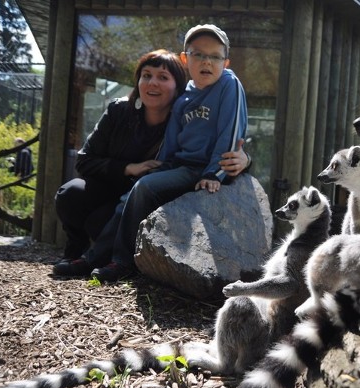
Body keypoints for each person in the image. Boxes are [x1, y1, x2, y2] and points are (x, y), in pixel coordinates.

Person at [53, 46, 250, 277]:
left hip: (141, 198)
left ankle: (109, 260)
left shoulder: (185, 115)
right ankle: (78, 253)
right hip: (113, 189)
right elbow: (85, 161)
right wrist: (129, 168)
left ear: (178, 86)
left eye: (163, 77)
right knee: (71, 193)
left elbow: (225, 139)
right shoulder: (119, 111)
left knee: (106, 219)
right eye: (146, 76)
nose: (152, 83)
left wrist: (244, 159)